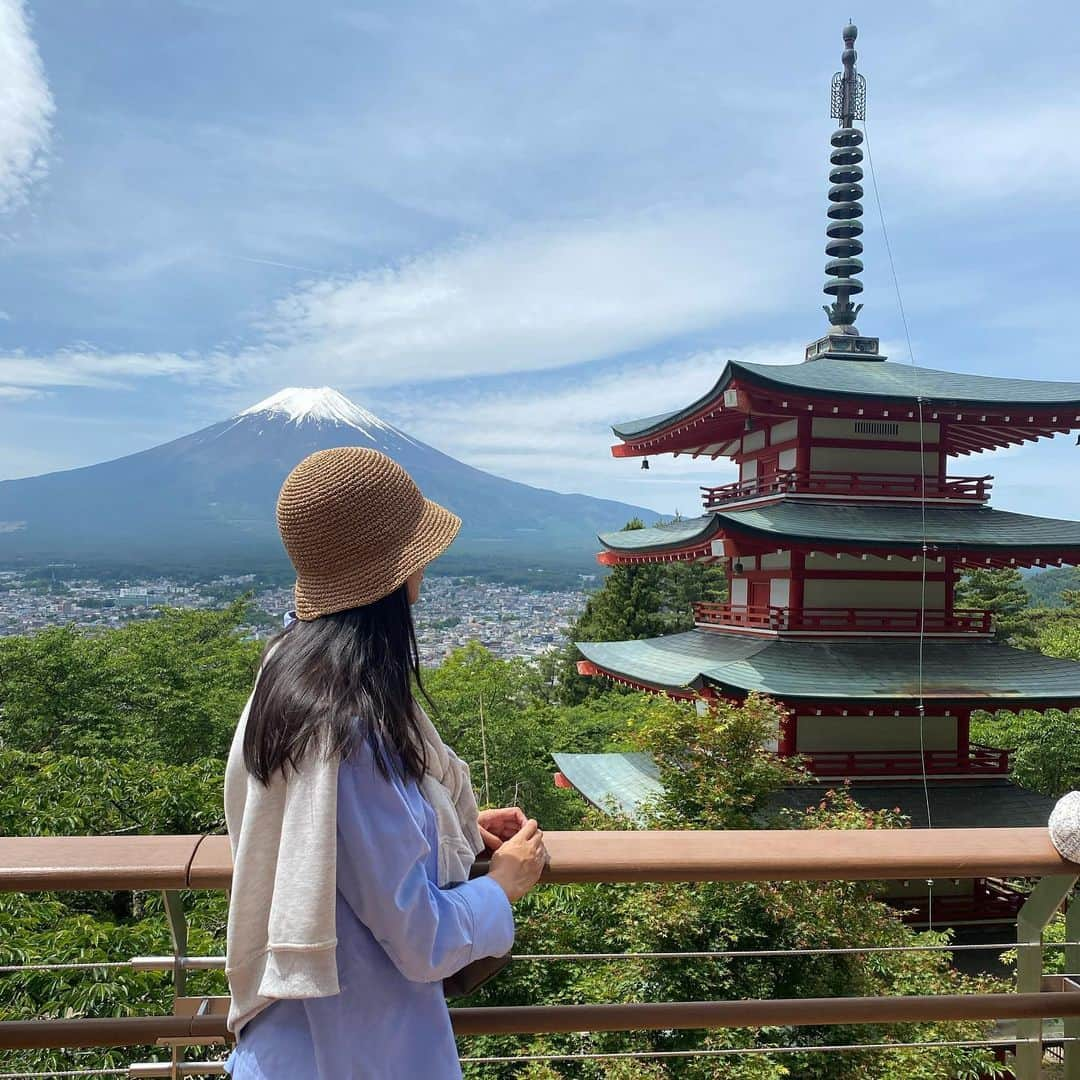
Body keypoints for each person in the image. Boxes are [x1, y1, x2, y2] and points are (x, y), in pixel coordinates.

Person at [223, 447, 548, 1079]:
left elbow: (347, 852)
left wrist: (446, 824)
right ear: (393, 573)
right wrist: (501, 885)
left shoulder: (286, 671)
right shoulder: (349, 729)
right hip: (357, 1046)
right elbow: (419, 938)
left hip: (278, 1042)